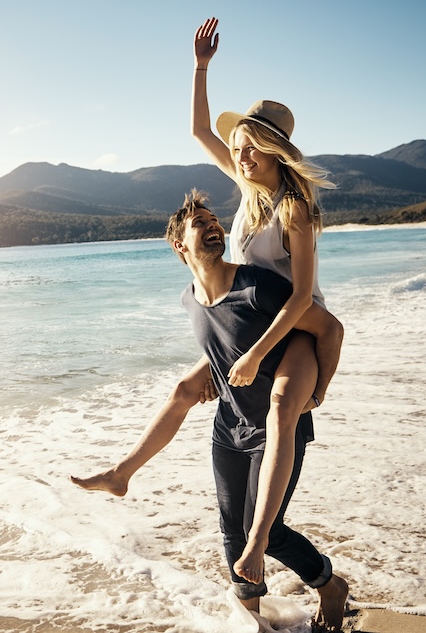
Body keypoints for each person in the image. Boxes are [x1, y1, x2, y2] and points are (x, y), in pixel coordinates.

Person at [72, 191, 348, 631]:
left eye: (214, 219)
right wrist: (211, 379)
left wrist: (319, 393)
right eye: (200, 223)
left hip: (277, 427)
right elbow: (220, 352)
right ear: (179, 245)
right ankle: (252, 623)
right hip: (229, 428)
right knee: (232, 534)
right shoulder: (190, 300)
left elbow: (330, 329)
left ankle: (329, 584)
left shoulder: (258, 287)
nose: (213, 225)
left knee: (268, 533)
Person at [190, 15, 344, 587]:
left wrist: (254, 355)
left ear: (276, 151)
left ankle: (263, 545)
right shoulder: (250, 184)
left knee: (284, 403)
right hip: (255, 311)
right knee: (189, 386)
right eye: (239, 149)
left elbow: (303, 294)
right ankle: (124, 471)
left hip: (298, 322)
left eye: (251, 147)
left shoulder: (293, 207)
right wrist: (201, 68)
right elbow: (201, 133)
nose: (241, 155)